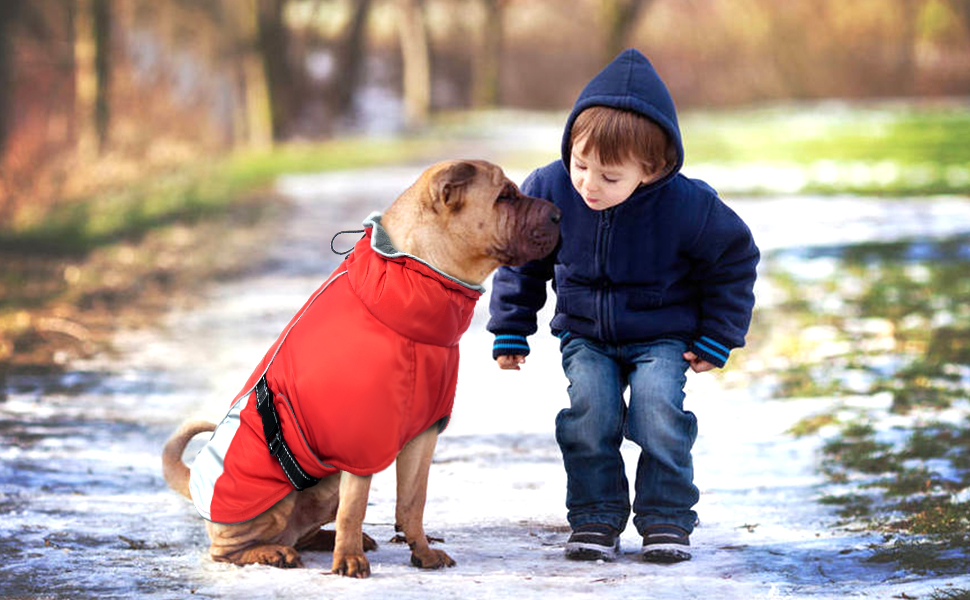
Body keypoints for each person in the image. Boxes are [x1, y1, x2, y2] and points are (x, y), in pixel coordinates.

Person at [488, 48, 759, 564]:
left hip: (664, 336)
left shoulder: (689, 206)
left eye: (609, 177)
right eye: (580, 164)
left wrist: (718, 335)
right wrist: (511, 326)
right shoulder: (551, 189)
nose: (588, 184)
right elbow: (522, 258)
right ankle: (595, 516)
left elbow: (733, 262)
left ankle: (666, 519)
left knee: (659, 414)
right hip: (586, 334)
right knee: (590, 416)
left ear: (652, 169)